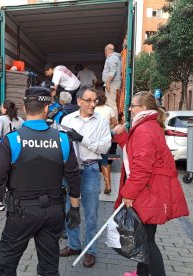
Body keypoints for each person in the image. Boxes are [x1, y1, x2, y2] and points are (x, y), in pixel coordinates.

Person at [0, 86, 81, 276]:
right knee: (49, 268)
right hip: (53, 211)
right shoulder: (63, 140)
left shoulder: (12, 140)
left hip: (21, 212)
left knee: (7, 265)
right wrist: (74, 209)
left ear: (24, 107)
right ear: (47, 109)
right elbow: (74, 178)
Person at [112, 91, 189, 276]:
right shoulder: (146, 126)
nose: (130, 109)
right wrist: (121, 137)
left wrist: (128, 194)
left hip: (147, 192)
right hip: (150, 191)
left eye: (133, 105)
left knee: (146, 241)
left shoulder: (145, 130)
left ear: (143, 108)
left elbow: (142, 168)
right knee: (144, 237)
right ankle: (142, 272)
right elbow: (134, 154)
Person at [60, 87, 111, 268]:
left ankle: (90, 250)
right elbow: (61, 145)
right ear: (79, 101)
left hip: (90, 169)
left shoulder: (102, 122)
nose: (92, 104)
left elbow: (104, 148)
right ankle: (74, 245)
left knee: (91, 213)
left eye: (95, 100)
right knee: (69, 209)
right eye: (88, 100)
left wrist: (82, 138)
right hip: (71, 171)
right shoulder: (66, 120)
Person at [0, 100, 24, 211]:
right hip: (17, 150)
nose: (1, 109)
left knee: (3, 175)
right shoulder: (20, 120)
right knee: (14, 174)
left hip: (5, 149)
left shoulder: (1, 119)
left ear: (5, 108)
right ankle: (15, 199)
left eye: (2, 107)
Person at [94, 91, 117, 194]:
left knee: (91, 161)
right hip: (105, 138)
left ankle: (94, 186)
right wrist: (108, 129)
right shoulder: (109, 109)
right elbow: (114, 123)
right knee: (104, 161)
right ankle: (108, 185)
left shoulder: (92, 109)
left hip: (93, 138)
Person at [102, 44, 122, 117]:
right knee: (108, 103)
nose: (104, 52)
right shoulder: (117, 58)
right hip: (114, 83)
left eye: (105, 50)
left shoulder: (111, 58)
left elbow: (113, 71)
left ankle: (114, 123)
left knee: (111, 104)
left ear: (107, 50)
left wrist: (107, 83)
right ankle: (110, 121)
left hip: (112, 83)